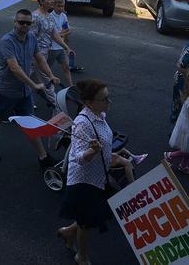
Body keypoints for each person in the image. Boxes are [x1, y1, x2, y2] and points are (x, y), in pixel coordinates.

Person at [0, 8, 60, 165]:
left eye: (28, 23)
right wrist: (34, 85)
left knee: (29, 121)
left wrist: (50, 75)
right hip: (7, 89)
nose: (24, 25)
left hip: (24, 91)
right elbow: (14, 68)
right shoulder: (7, 41)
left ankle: (43, 157)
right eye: (21, 22)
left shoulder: (31, 37)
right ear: (14, 22)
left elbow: (39, 58)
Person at [57, 79, 114, 265]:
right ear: (89, 103)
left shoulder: (100, 114)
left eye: (108, 97)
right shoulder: (83, 123)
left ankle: (68, 232)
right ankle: (81, 256)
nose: (108, 102)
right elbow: (77, 158)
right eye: (104, 99)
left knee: (92, 214)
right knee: (87, 222)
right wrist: (92, 151)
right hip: (84, 181)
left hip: (97, 177)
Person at [32, 0, 72, 105]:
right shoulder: (35, 17)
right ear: (41, 2)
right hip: (36, 55)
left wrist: (66, 47)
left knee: (29, 79)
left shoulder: (49, 16)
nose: (51, 1)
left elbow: (54, 34)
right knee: (47, 79)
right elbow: (31, 38)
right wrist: (34, 55)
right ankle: (57, 105)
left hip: (45, 52)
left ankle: (23, 102)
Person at [47, 0, 73, 86]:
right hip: (51, 48)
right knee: (46, 69)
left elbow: (68, 30)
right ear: (53, 5)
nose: (61, 8)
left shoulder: (63, 16)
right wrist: (60, 33)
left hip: (61, 47)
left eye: (62, 6)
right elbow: (52, 34)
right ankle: (44, 86)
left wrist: (61, 34)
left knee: (66, 67)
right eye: (59, 6)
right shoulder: (50, 17)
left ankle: (70, 86)